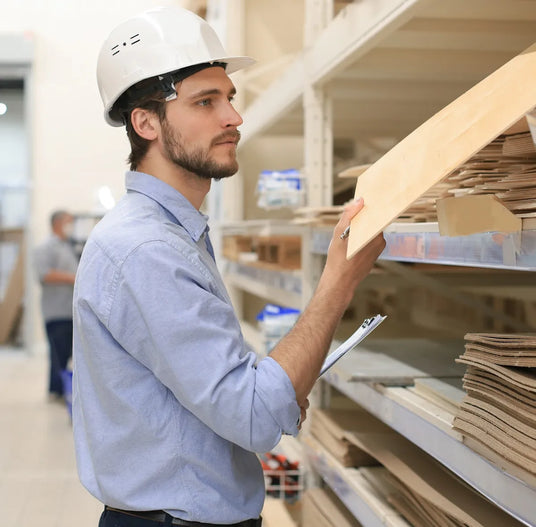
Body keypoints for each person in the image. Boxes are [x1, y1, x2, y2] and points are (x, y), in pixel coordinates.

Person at [73, 6, 385, 527]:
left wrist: (266, 390)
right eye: (205, 101)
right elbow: (256, 417)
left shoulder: (172, 233)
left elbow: (218, 394)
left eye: (230, 98)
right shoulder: (148, 250)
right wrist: (339, 280)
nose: (233, 118)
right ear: (145, 122)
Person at [34, 210, 78, 400]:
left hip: (70, 310)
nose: (72, 225)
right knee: (59, 354)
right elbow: (44, 275)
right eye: (69, 222)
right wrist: (72, 278)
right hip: (56, 311)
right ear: (58, 223)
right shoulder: (45, 247)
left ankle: (62, 390)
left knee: (68, 353)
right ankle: (57, 392)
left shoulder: (67, 246)